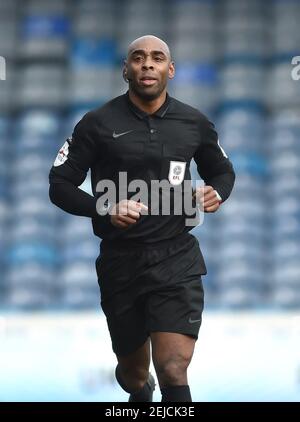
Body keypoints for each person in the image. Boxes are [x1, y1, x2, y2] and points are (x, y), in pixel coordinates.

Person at [49, 35, 235, 402]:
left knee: (173, 367)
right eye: (138, 58)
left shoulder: (194, 122)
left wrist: (218, 192)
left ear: (171, 69)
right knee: (133, 374)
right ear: (126, 69)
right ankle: (139, 389)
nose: (147, 64)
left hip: (176, 257)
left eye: (156, 57)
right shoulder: (97, 123)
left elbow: (223, 172)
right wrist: (104, 207)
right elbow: (59, 185)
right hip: (121, 261)